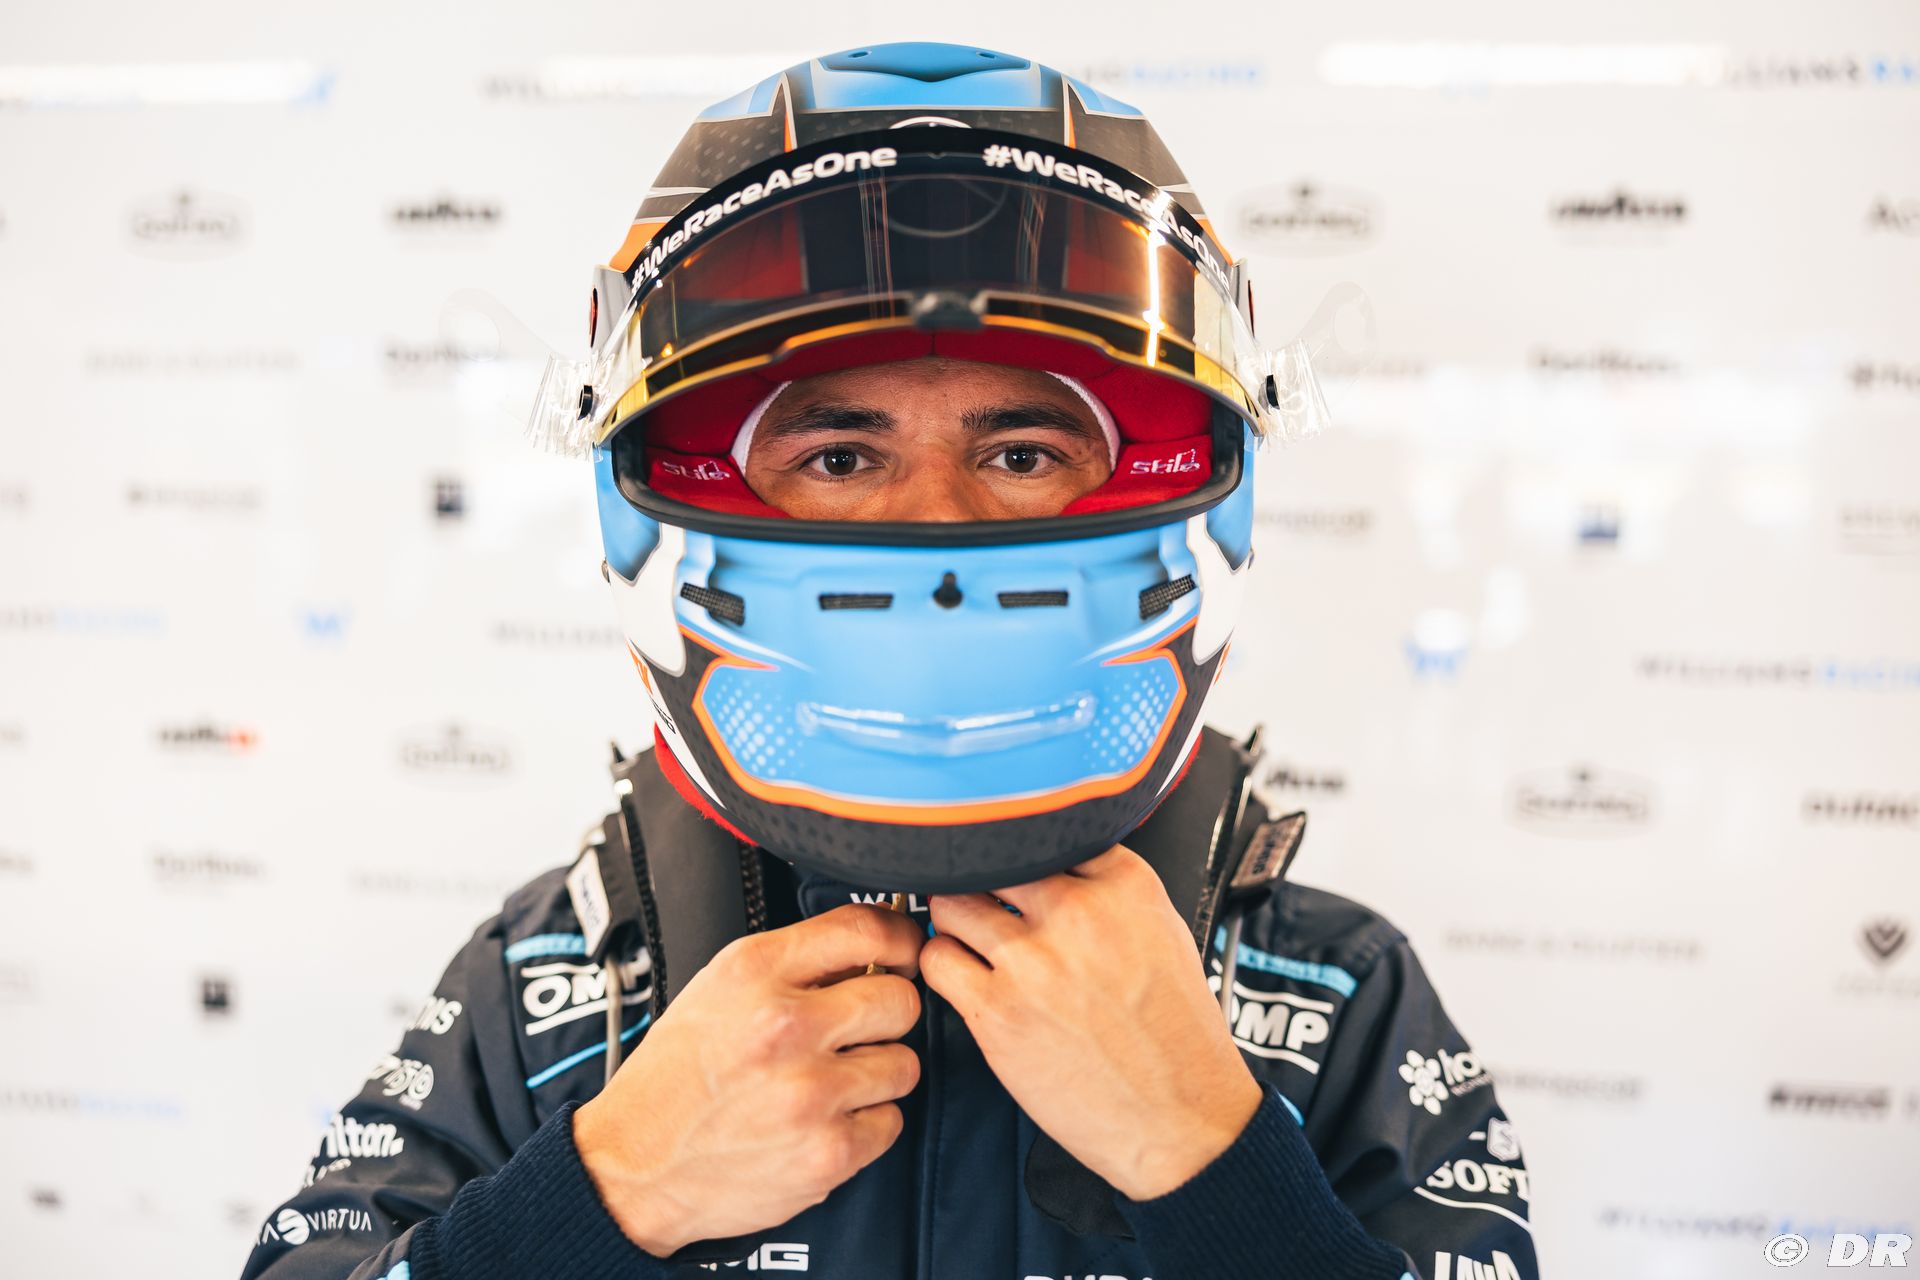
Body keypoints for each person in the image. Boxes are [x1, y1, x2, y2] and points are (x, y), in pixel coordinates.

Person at [241, 43, 1539, 1280]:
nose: (938, 526)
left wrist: (1210, 1156)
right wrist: (612, 1186)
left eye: (1021, 455)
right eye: (840, 458)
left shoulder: (1330, 984)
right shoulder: (559, 977)